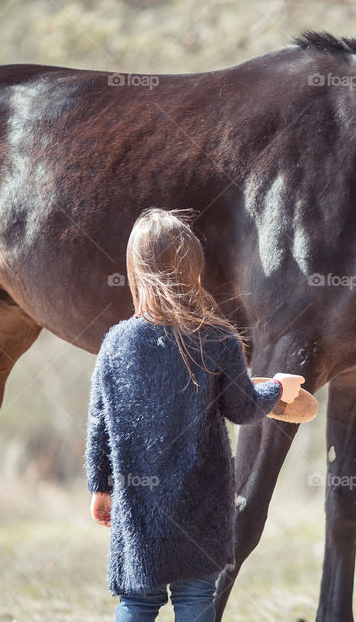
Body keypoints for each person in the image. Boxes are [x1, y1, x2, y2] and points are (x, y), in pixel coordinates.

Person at [85, 207, 305, 621]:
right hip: (201, 505)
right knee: (197, 599)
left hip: (138, 505)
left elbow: (100, 425)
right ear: (194, 271)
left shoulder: (115, 344)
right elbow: (241, 408)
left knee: (137, 601)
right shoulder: (217, 337)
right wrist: (278, 388)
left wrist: (100, 487)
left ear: (135, 272)